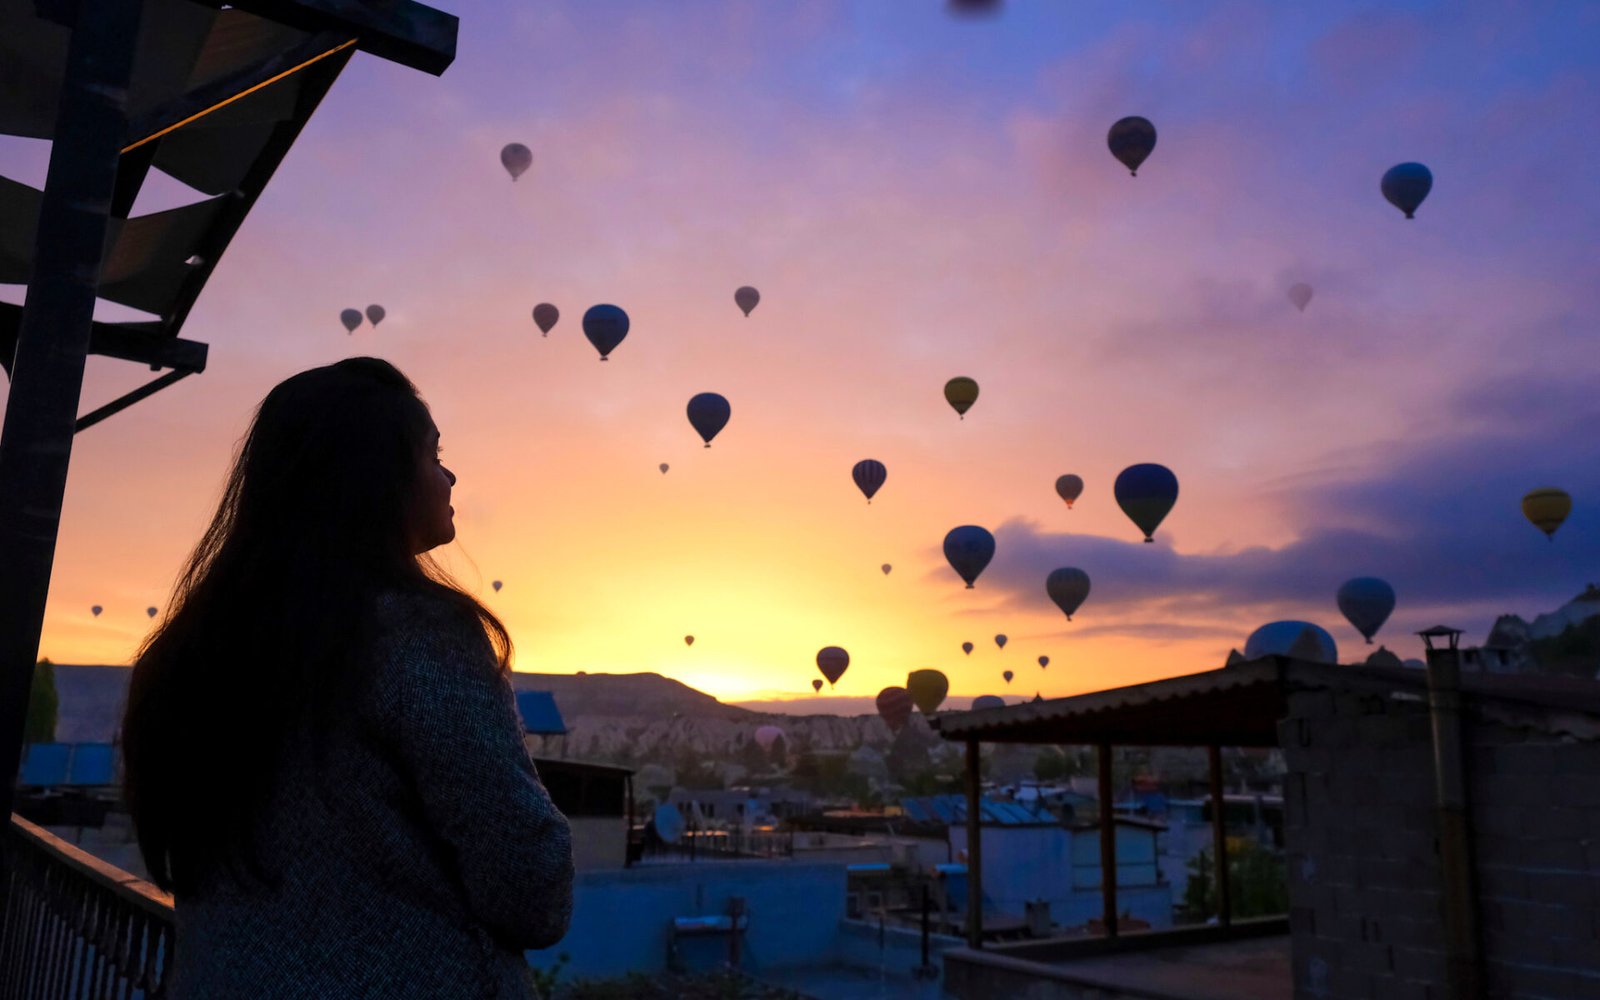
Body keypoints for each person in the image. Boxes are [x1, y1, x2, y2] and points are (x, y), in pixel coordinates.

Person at [119, 358, 573, 998]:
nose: (449, 475)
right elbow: (530, 887)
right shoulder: (415, 634)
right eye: (432, 454)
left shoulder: (190, 652)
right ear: (377, 479)